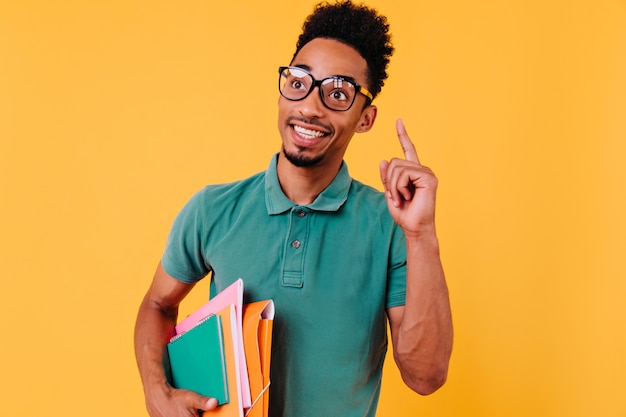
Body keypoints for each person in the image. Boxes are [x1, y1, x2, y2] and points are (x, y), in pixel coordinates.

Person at [134, 1, 453, 416]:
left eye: (337, 93)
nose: (310, 106)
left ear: (365, 118)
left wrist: (420, 233)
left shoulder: (390, 226)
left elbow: (425, 376)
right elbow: (157, 305)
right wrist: (157, 393)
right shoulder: (212, 210)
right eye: (299, 82)